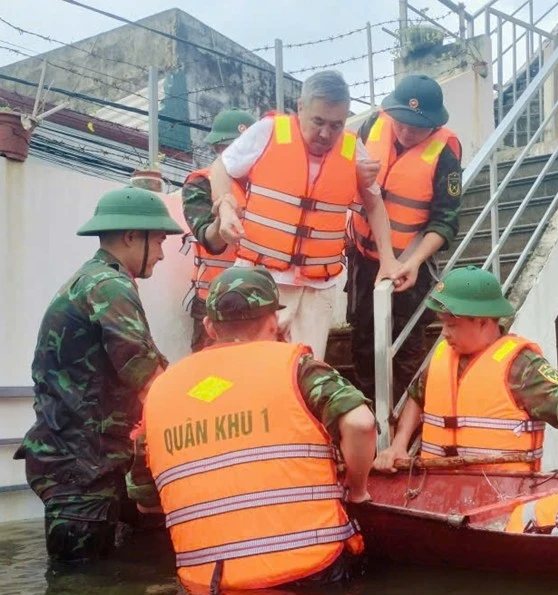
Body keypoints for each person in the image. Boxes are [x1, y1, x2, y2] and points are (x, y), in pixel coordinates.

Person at [127, 266, 376, 590]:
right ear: (273, 321)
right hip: (310, 573)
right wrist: (357, 489)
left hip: (211, 586)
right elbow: (360, 422)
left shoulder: (160, 391)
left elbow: (145, 502)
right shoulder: (298, 368)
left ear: (209, 327)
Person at [14, 187, 183, 562]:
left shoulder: (94, 280)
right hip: (82, 472)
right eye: (159, 240)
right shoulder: (110, 286)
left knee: (113, 572)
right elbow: (149, 377)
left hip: (86, 463)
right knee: (79, 584)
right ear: (131, 237)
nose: (161, 253)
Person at [208, 70, 401, 360]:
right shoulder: (269, 131)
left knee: (305, 369)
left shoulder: (352, 149)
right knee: (251, 365)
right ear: (301, 107)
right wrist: (225, 206)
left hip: (317, 288)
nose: (326, 134)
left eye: (336, 125)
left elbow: (374, 205)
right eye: (318, 122)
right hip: (261, 280)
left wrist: (388, 259)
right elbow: (221, 167)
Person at [372, 266, 558, 482]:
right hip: (437, 488)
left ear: (482, 321)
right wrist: (399, 445)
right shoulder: (444, 355)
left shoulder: (522, 367)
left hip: (501, 494)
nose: (444, 333)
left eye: (452, 325)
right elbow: (418, 395)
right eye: (443, 323)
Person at [346, 74, 463, 402]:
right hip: (362, 258)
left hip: (409, 264)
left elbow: (446, 220)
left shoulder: (445, 152)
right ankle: (372, 413)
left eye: (416, 127)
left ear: (434, 125)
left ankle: (408, 415)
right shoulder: (373, 125)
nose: (406, 132)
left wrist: (413, 262)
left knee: (407, 345)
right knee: (363, 338)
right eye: (400, 123)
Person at [181, 109, 256, 352]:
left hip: (260, 299)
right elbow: (209, 238)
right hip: (215, 303)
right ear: (217, 150)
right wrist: (222, 215)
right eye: (227, 148)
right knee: (210, 372)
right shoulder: (201, 183)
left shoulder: (268, 185)